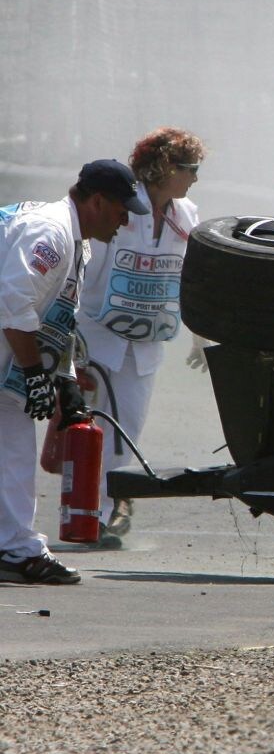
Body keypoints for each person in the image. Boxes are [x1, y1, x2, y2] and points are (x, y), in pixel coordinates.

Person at [0, 159, 149, 584]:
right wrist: (32, 373)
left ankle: (15, 548)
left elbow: (57, 317)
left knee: (13, 445)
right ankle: (15, 548)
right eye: (122, 210)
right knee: (12, 443)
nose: (125, 221)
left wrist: (62, 379)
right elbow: (14, 306)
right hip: (9, 346)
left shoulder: (75, 239)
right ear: (97, 201)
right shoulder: (49, 232)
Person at [76, 127, 206, 548]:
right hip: (98, 330)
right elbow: (86, 265)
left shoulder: (187, 215)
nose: (195, 178)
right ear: (166, 168)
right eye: (190, 169)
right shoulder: (123, 208)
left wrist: (199, 337)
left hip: (147, 337)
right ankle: (91, 513)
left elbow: (192, 277)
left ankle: (116, 496)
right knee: (98, 420)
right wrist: (67, 329)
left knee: (127, 423)